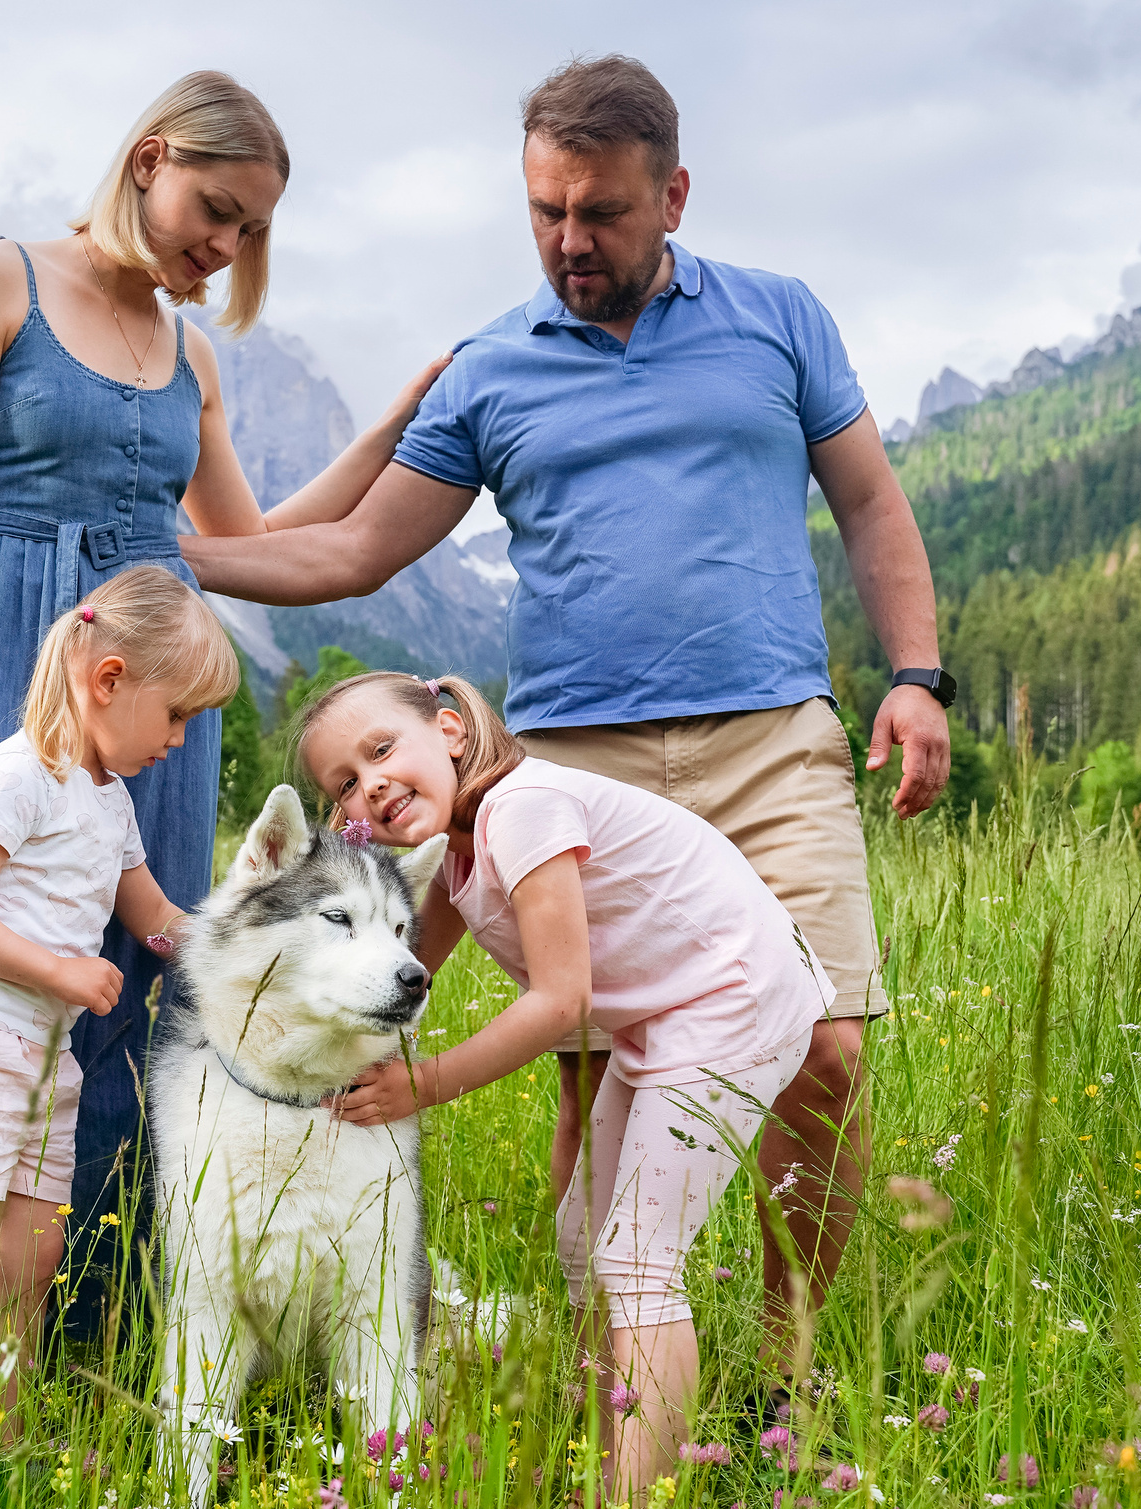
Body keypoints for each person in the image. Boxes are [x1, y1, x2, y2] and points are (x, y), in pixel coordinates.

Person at [184, 54, 949, 1386]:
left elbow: (873, 503)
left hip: (769, 738)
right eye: (544, 211)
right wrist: (173, 556)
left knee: (824, 1052)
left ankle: (788, 1355)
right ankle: (617, 1361)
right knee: (598, 1072)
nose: (568, 242)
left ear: (675, 196)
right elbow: (354, 549)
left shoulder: (782, 319)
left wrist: (916, 673)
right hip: (577, 761)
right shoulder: (492, 367)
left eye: (599, 213)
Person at [0, 69, 449, 1335]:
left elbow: (255, 541)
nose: (227, 244)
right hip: (1, 674)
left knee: (125, 996)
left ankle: (70, 1325)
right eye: (216, 205)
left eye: (252, 228)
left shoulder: (190, 356)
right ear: (148, 159)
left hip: (155, 722)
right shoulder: (0, 283)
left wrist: (400, 426)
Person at [298, 670, 830, 1496]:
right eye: (345, 785)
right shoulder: (459, 856)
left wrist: (423, 1085)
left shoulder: (525, 806)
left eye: (379, 750)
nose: (368, 783)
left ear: (449, 727)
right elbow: (403, 980)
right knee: (585, 1240)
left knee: (639, 1259)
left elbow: (561, 1001)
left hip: (734, 996)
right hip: (670, 1015)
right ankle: (604, 1439)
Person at [0, 568, 234, 1477]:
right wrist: (60, 968)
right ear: (106, 680)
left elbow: (156, 919)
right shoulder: (21, 774)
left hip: (41, 1061)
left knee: (34, 1259)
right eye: (175, 715)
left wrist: (249, 949)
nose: (179, 741)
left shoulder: (110, 802)